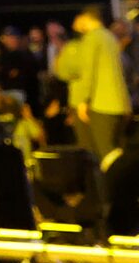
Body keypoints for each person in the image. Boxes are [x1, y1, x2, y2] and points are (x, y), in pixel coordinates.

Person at [54, 11, 129, 161]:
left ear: (86, 18)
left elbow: (85, 71)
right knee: (114, 150)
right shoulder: (109, 37)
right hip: (118, 103)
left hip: (99, 105)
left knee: (99, 152)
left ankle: (106, 183)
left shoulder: (91, 39)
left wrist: (83, 100)